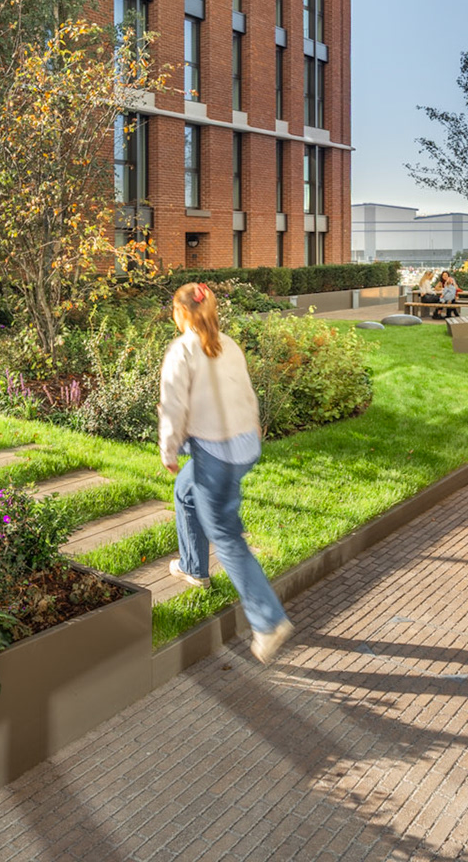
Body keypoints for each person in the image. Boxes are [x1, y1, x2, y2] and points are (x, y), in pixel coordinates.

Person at [159, 283, 296, 665]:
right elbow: (248, 395)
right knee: (186, 491)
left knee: (226, 536)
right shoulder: (229, 345)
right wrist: (253, 432)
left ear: (181, 313)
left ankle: (268, 622)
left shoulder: (182, 350)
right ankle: (193, 567)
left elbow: (173, 407)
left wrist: (168, 450)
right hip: (243, 447)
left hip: (215, 453)